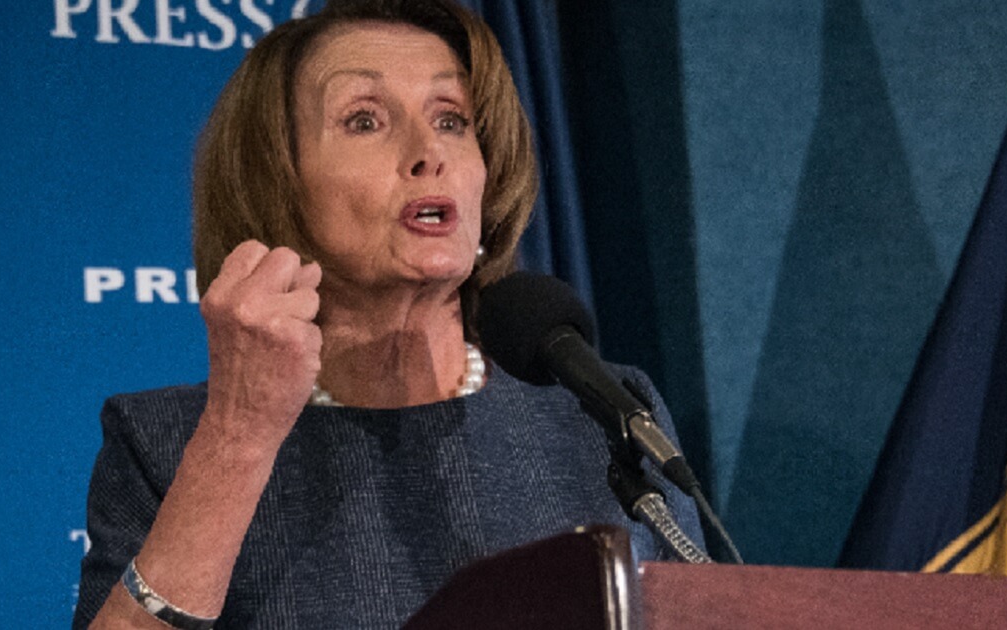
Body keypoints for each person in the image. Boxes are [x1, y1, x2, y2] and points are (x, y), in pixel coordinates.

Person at [73, 1, 702, 627]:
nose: (429, 152)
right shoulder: (166, 442)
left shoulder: (604, 417)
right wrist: (239, 437)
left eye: (452, 120)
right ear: (279, 181)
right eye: (365, 120)